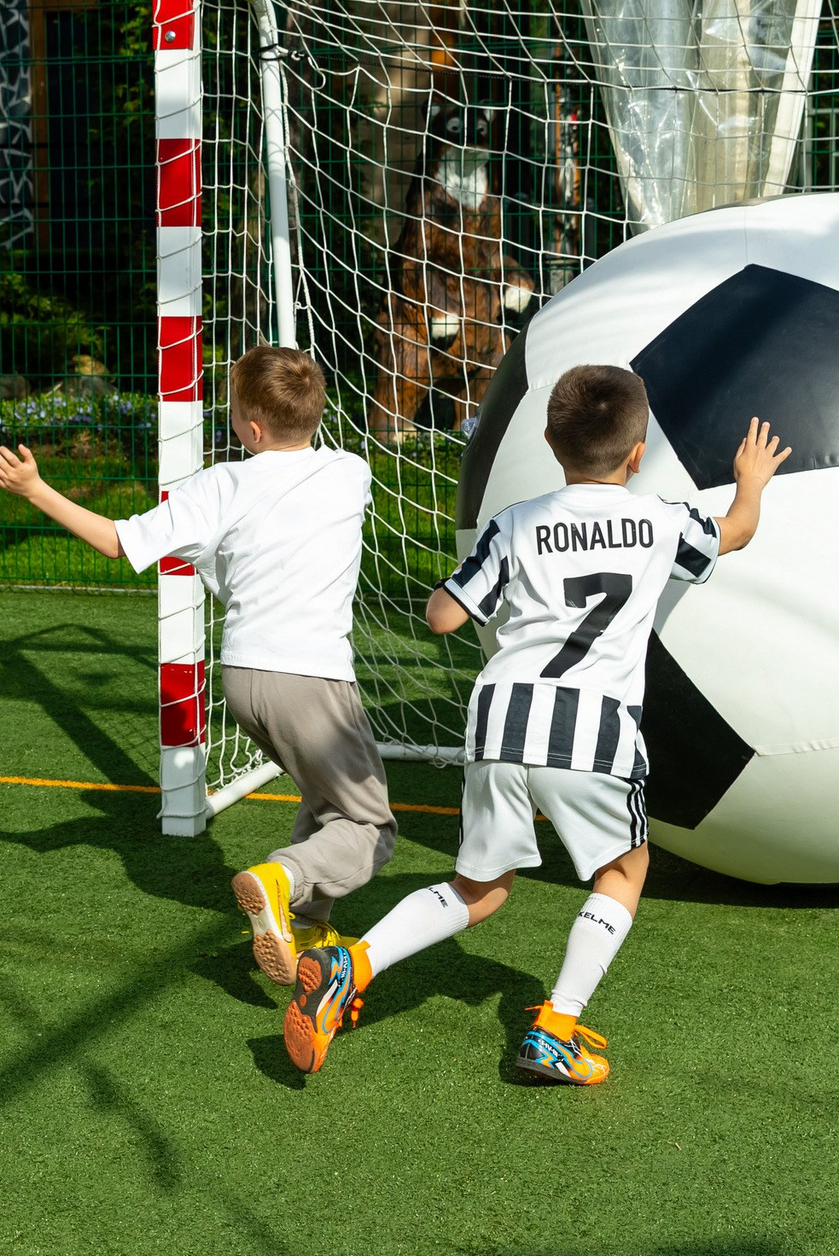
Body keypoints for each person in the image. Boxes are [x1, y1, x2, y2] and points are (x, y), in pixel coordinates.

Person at [283, 365, 788, 1084]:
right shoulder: (659, 520)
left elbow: (442, 616)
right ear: (638, 452)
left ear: (551, 441)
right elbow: (736, 532)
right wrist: (751, 481)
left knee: (479, 889)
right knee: (624, 870)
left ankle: (353, 962)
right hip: (592, 726)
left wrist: (476, 584)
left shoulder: (516, 522)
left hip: (500, 718)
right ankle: (555, 1027)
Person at [0, 345, 395, 983]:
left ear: (250, 428)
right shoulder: (351, 472)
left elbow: (118, 541)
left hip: (245, 678)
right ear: (315, 413)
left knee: (326, 798)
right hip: (312, 677)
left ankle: (304, 924)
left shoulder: (219, 485)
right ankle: (282, 877)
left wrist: (35, 488)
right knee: (371, 826)